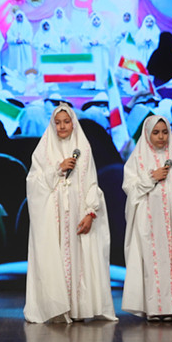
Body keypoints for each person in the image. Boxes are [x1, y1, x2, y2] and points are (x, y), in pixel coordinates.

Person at [24, 105, 117, 323]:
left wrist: (90, 212)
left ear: (73, 123)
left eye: (66, 122)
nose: (62, 126)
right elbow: (33, 182)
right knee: (55, 258)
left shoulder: (83, 147)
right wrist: (58, 168)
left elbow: (91, 182)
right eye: (58, 122)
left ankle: (78, 308)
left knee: (79, 260)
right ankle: (57, 308)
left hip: (77, 213)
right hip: (53, 216)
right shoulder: (43, 149)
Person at [122, 115, 172, 321]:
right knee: (151, 263)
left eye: (164, 132)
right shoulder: (138, 159)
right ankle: (154, 309)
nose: (161, 137)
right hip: (148, 222)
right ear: (147, 134)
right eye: (156, 133)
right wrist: (151, 178)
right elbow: (130, 188)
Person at [81, 12, 113, 90]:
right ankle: (90, 84)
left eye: (98, 19)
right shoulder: (88, 30)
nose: (96, 21)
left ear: (101, 20)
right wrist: (90, 42)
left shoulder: (104, 30)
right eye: (94, 19)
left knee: (100, 68)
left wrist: (99, 42)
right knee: (90, 68)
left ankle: (99, 84)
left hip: (101, 53)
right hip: (90, 52)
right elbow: (84, 41)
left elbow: (108, 41)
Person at [4, 11, 34, 76]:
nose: (19, 18)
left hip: (24, 47)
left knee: (25, 62)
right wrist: (15, 40)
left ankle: (26, 76)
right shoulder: (13, 26)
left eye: (21, 17)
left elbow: (30, 36)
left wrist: (23, 40)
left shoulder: (27, 25)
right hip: (15, 48)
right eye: (17, 17)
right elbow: (9, 36)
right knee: (15, 62)